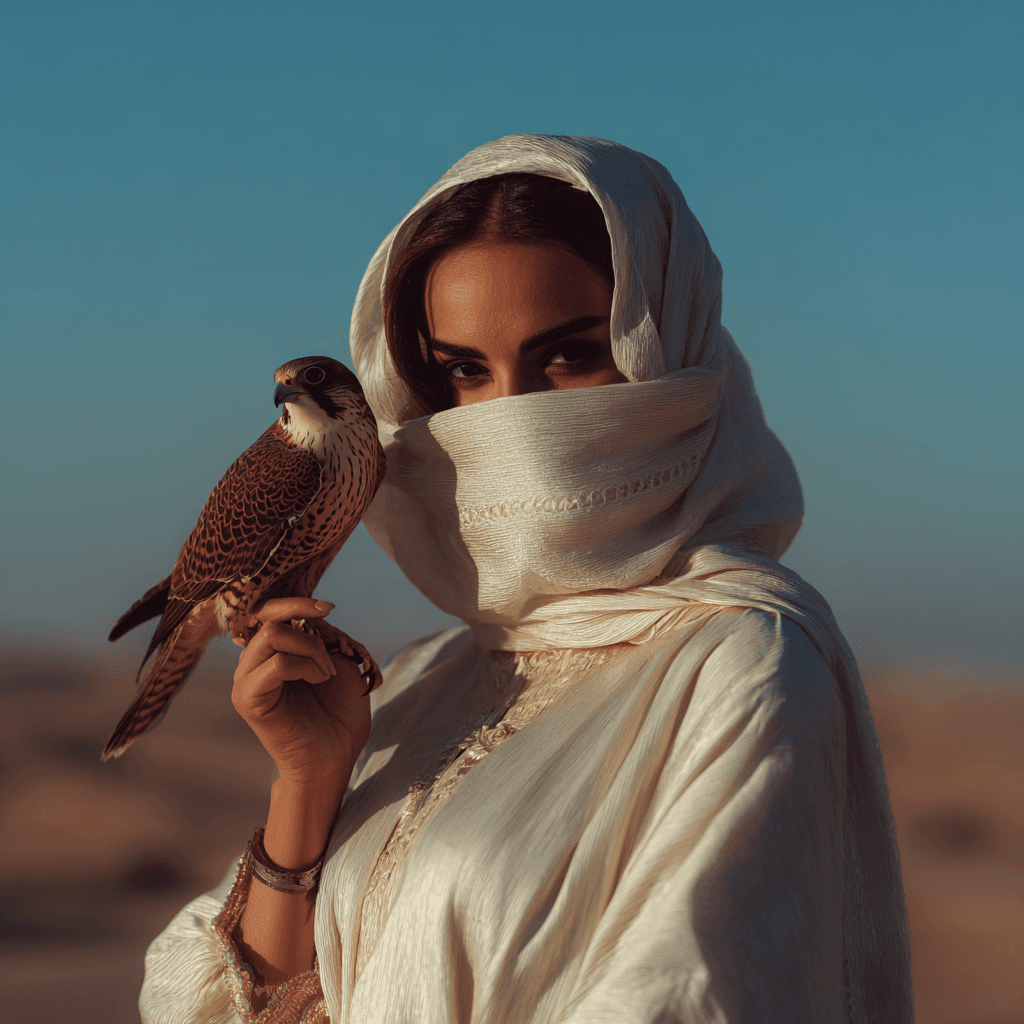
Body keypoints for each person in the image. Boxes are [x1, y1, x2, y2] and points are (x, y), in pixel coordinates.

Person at [139, 135, 913, 1023]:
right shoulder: (425, 678)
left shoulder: (743, 666)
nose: (511, 418)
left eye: (567, 356)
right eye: (465, 371)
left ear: (669, 350)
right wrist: (310, 788)